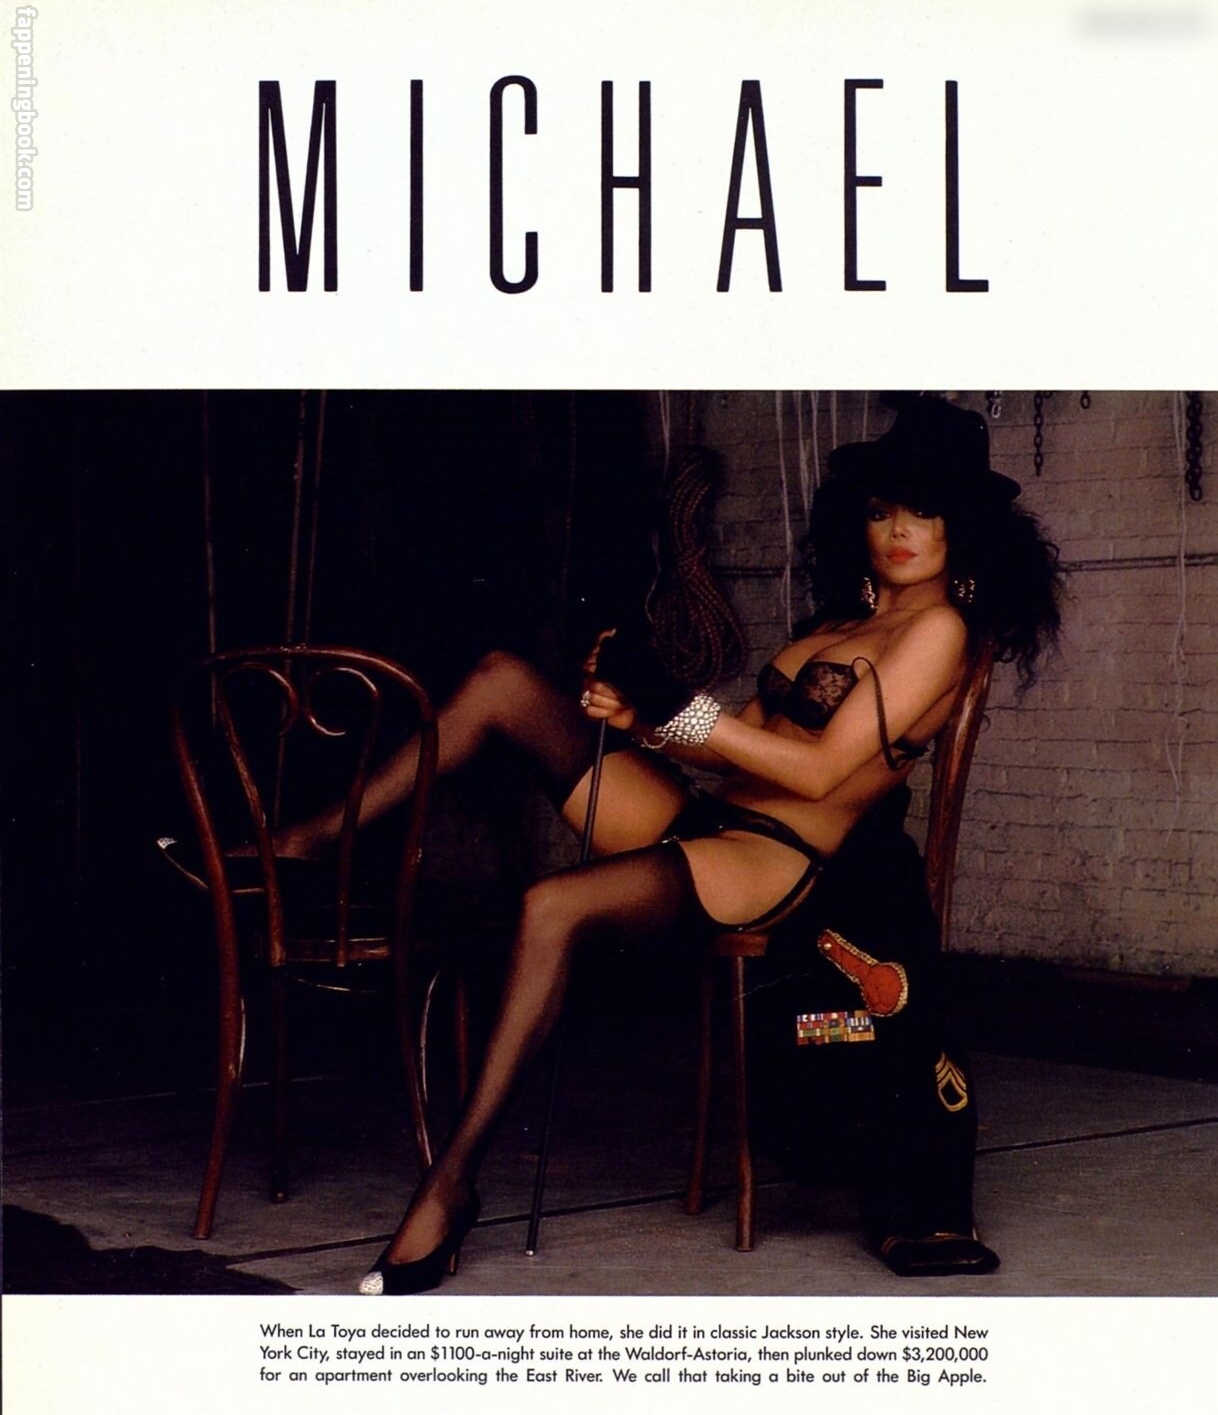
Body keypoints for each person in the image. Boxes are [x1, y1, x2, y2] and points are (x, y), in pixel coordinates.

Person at [321, 395, 1061, 1293]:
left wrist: (687, 710)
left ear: (963, 526)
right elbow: (727, 746)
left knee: (550, 905)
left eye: (925, 509)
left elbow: (820, 773)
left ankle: (449, 1188)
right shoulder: (833, 627)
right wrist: (642, 716)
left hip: (774, 858)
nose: (899, 530)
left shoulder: (938, 632)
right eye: (882, 509)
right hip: (711, 820)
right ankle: (314, 841)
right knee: (502, 683)